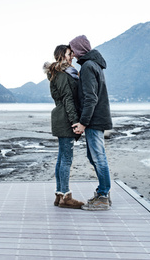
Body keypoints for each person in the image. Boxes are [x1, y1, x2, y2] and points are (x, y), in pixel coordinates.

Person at [69, 35, 113, 211]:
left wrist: (83, 123)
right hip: (97, 118)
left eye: (72, 49)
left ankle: (103, 196)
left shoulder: (88, 67)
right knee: (94, 156)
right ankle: (104, 193)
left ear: (79, 49)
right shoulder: (94, 65)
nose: (71, 54)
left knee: (98, 157)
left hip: (94, 120)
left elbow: (91, 98)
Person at [44, 44, 85, 209]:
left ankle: (59, 194)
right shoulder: (63, 74)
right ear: (62, 55)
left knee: (62, 157)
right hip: (65, 119)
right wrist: (75, 121)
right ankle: (65, 196)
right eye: (69, 54)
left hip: (60, 117)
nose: (72, 56)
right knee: (66, 158)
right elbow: (68, 99)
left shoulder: (57, 73)